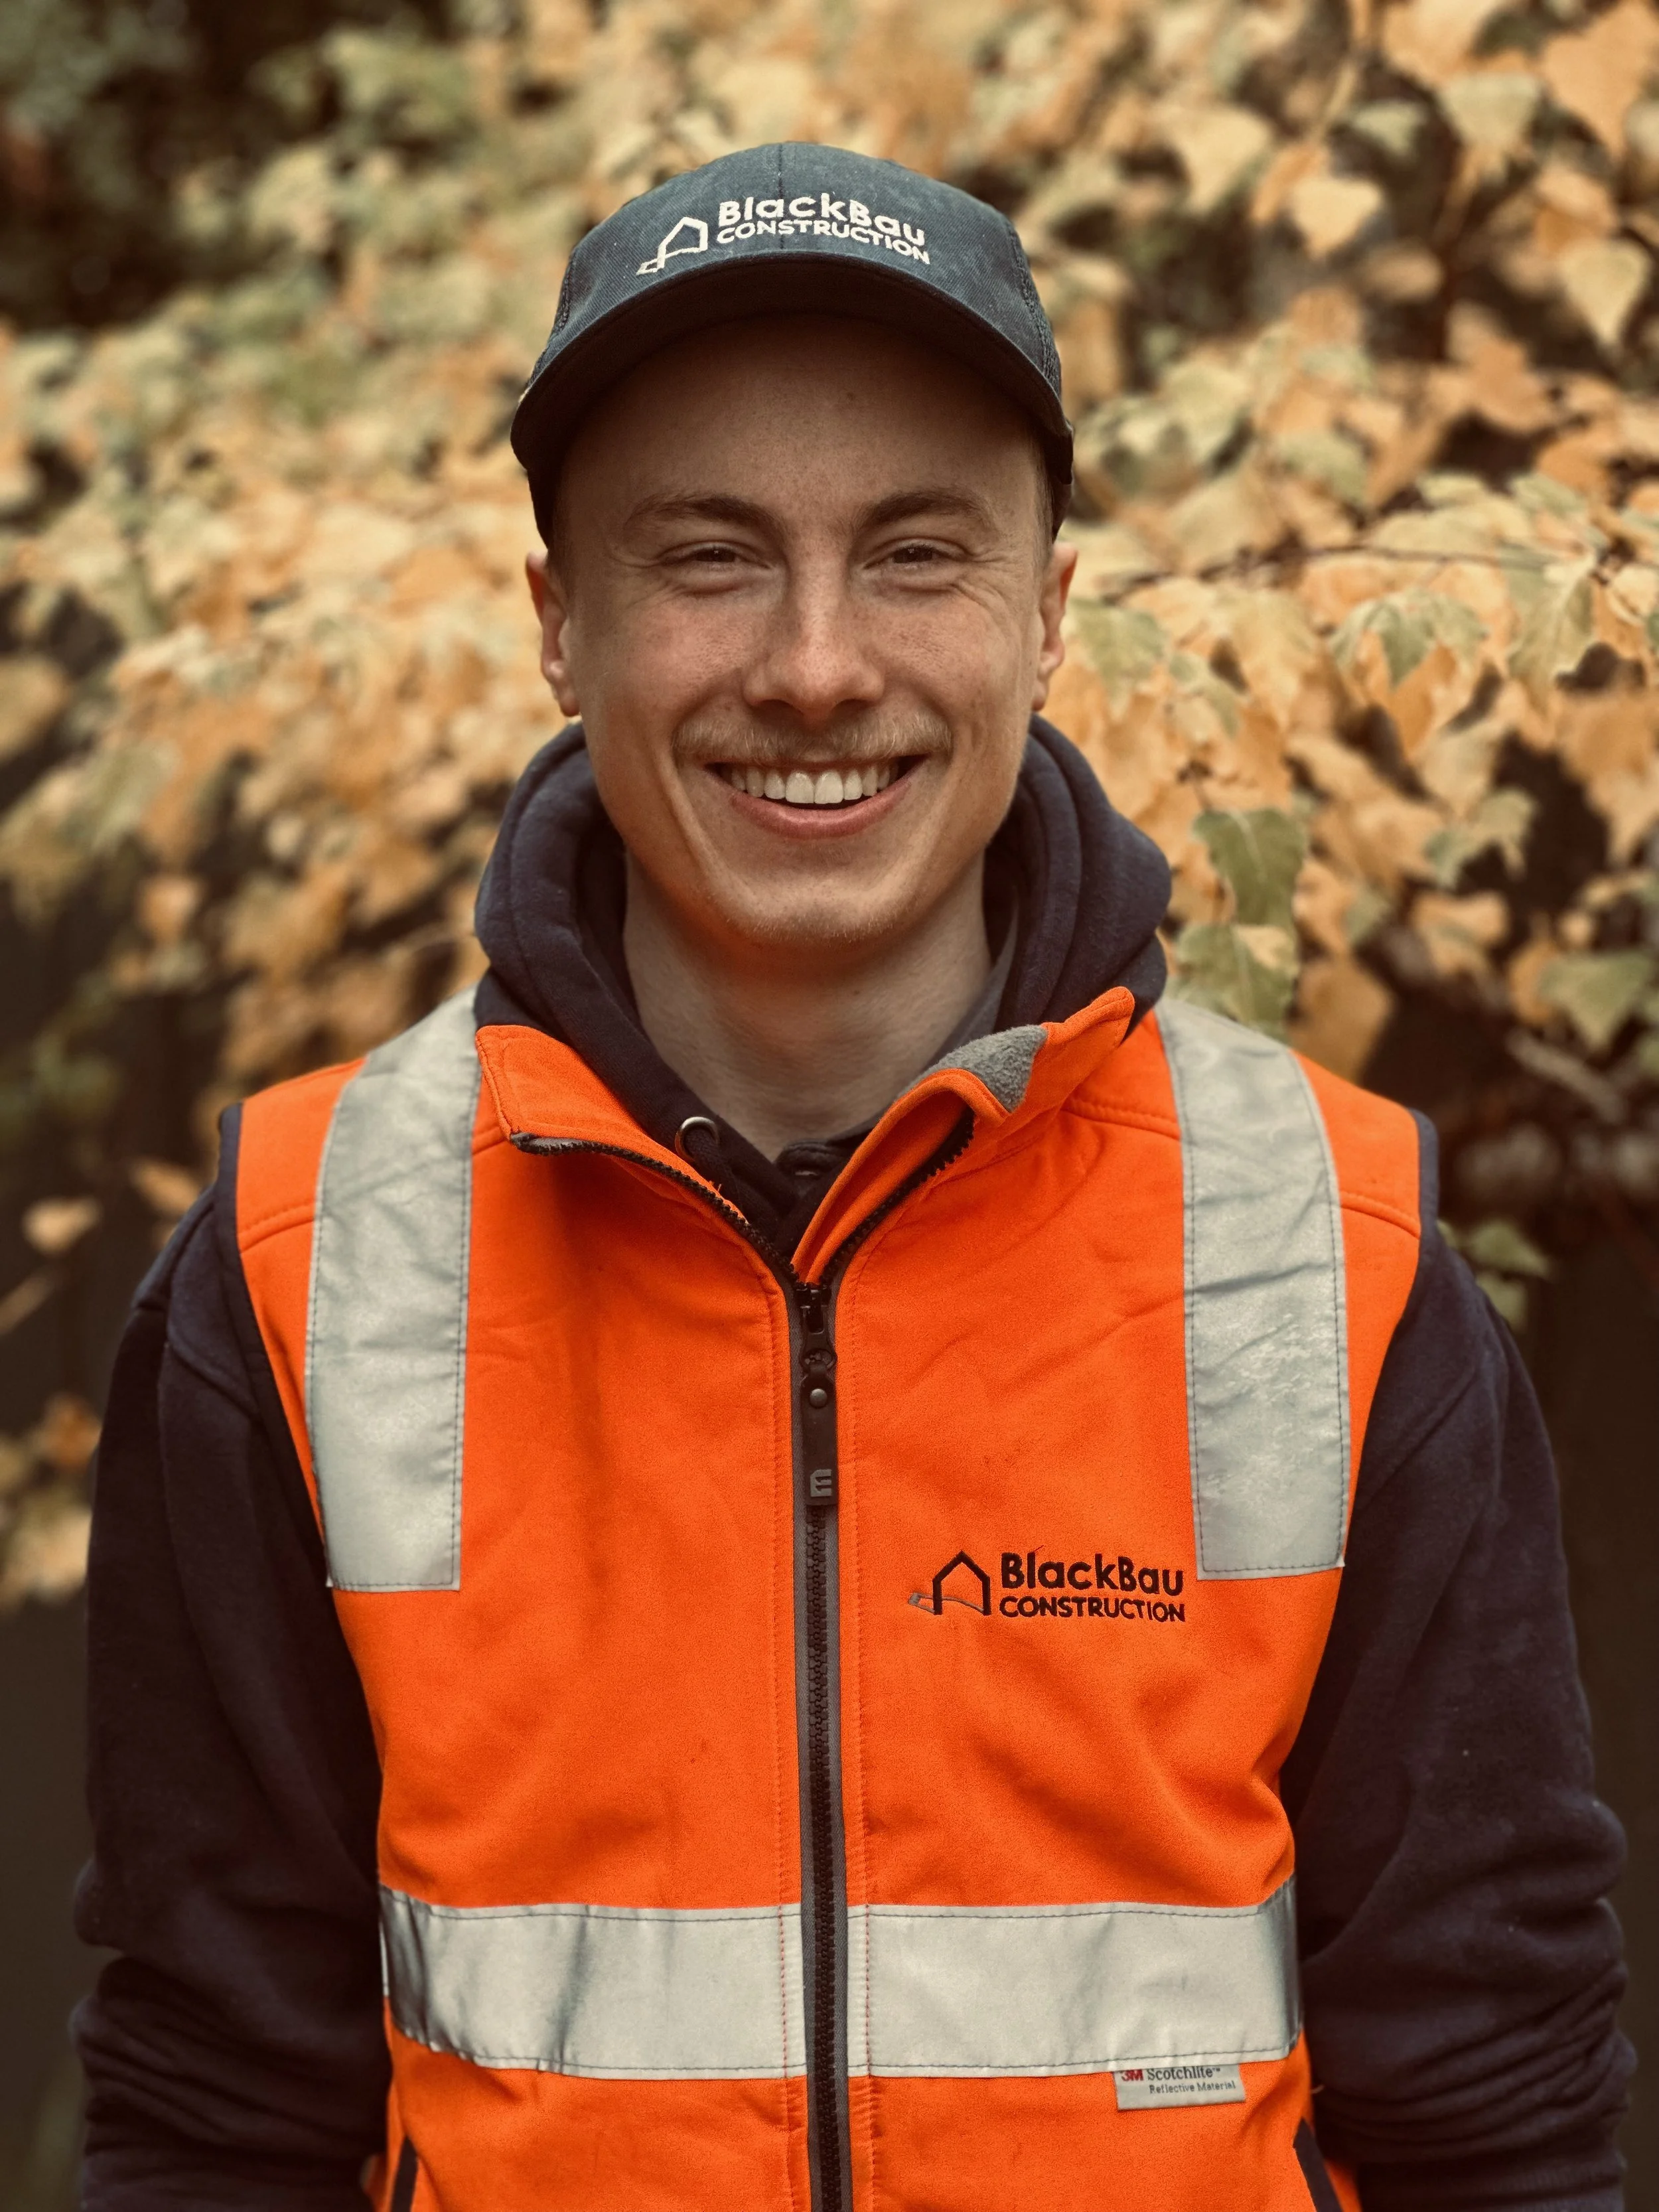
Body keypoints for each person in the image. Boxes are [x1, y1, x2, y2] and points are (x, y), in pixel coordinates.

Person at [75, 145, 1630, 2212]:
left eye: (916, 554)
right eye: (709, 558)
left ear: (1050, 608)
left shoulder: (1321, 1261)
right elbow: (210, 2114)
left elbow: (1494, 2111)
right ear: (558, 620)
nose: (814, 666)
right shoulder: (296, 1270)